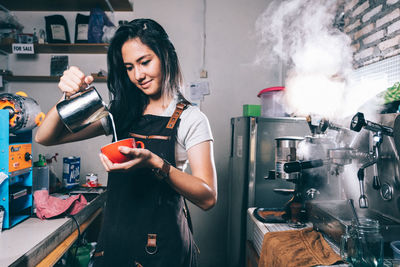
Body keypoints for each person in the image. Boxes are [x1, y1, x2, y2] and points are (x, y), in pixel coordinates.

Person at [35, 18, 217, 267]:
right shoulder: (120, 113)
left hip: (163, 250)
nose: (138, 75)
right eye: (129, 67)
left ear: (166, 55)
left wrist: (155, 163)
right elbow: (45, 137)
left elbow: (208, 197)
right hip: (115, 244)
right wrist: (66, 98)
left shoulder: (190, 118)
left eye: (145, 62)